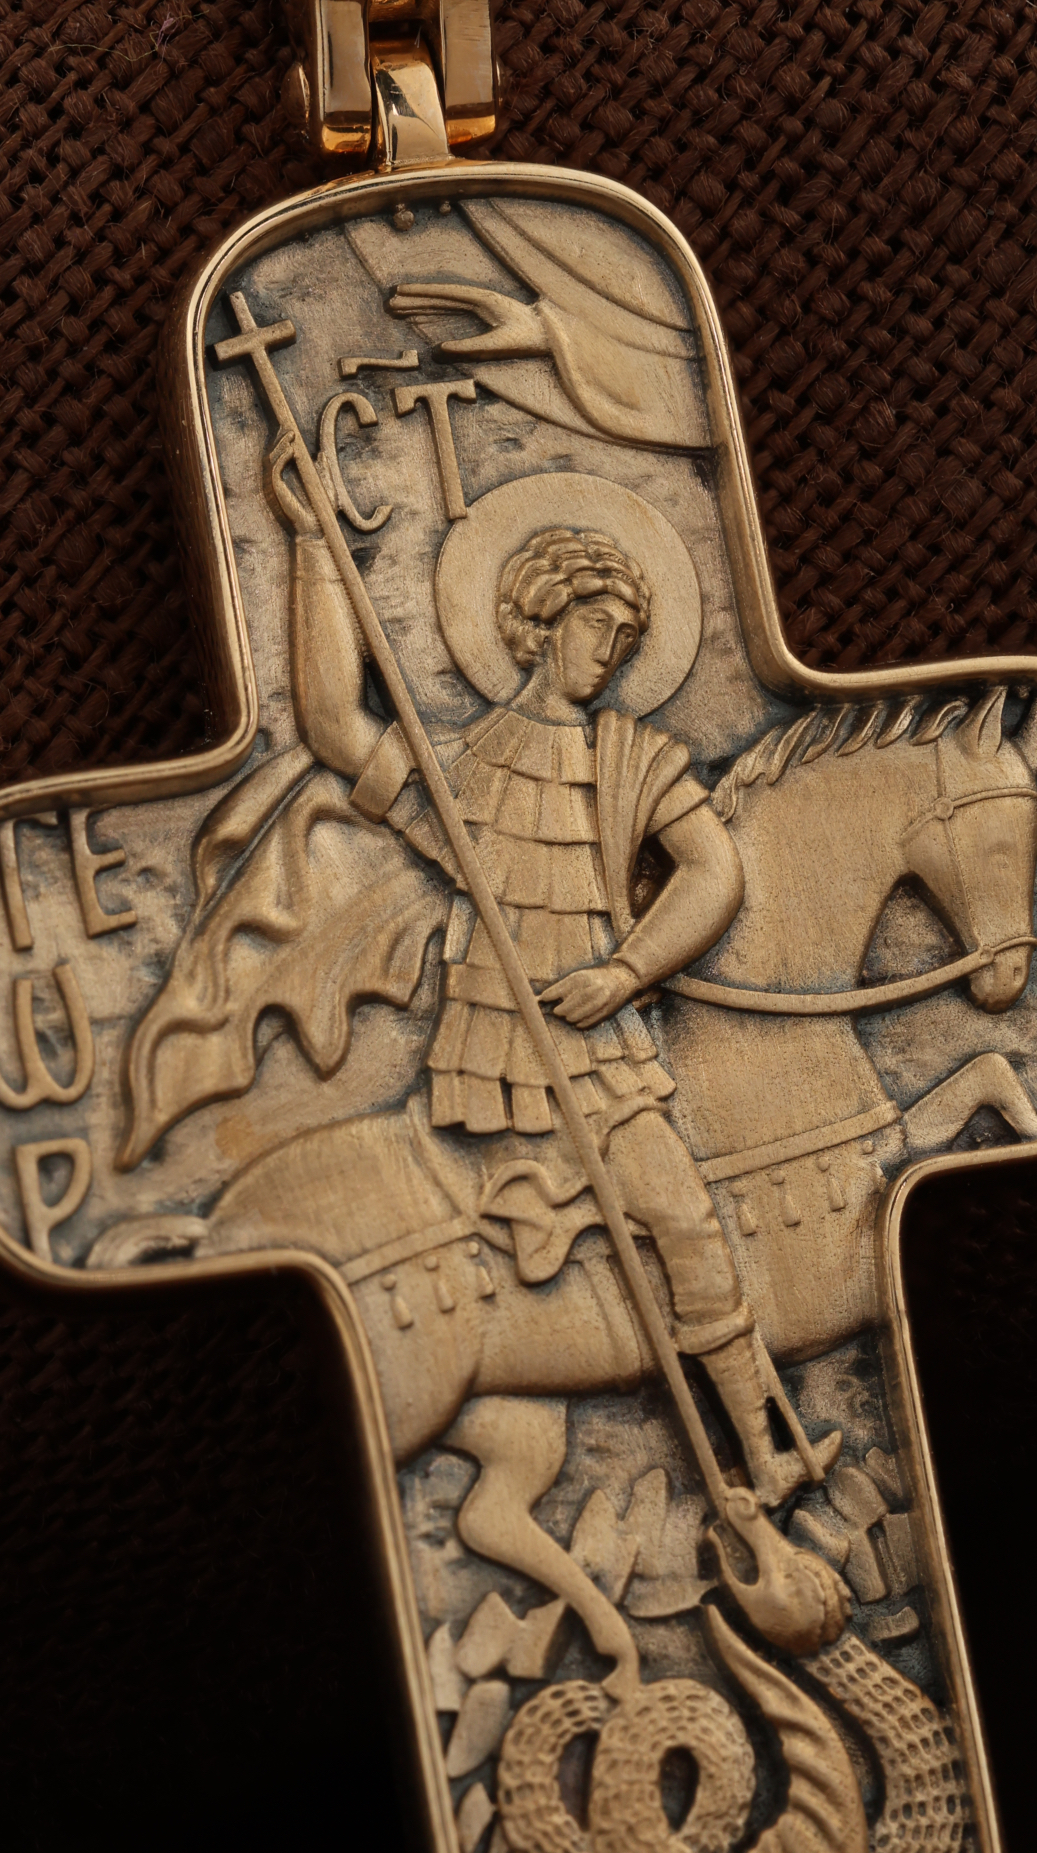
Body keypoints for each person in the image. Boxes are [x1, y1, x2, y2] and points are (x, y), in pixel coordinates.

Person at [267, 446, 807, 1503]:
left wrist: (628, 969)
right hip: (491, 1055)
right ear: (541, 621)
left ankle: (766, 1447)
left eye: (627, 637)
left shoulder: (628, 759)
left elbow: (716, 872)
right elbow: (332, 723)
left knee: (686, 1217)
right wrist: (311, 543)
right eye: (597, 624)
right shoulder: (463, 769)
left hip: (602, 1050)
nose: (611, 649)